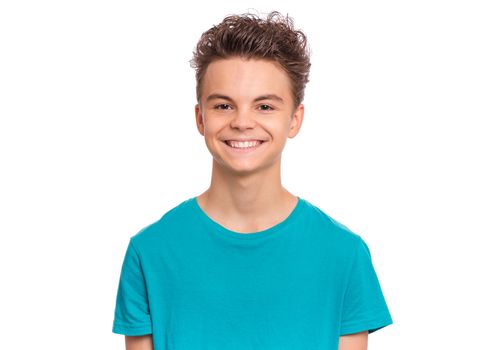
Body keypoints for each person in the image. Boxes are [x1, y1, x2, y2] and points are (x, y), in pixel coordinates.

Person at [112, 10, 393, 350]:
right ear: (200, 118)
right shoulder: (150, 253)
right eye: (223, 106)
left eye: (264, 107)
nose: (243, 122)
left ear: (295, 119)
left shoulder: (344, 255)